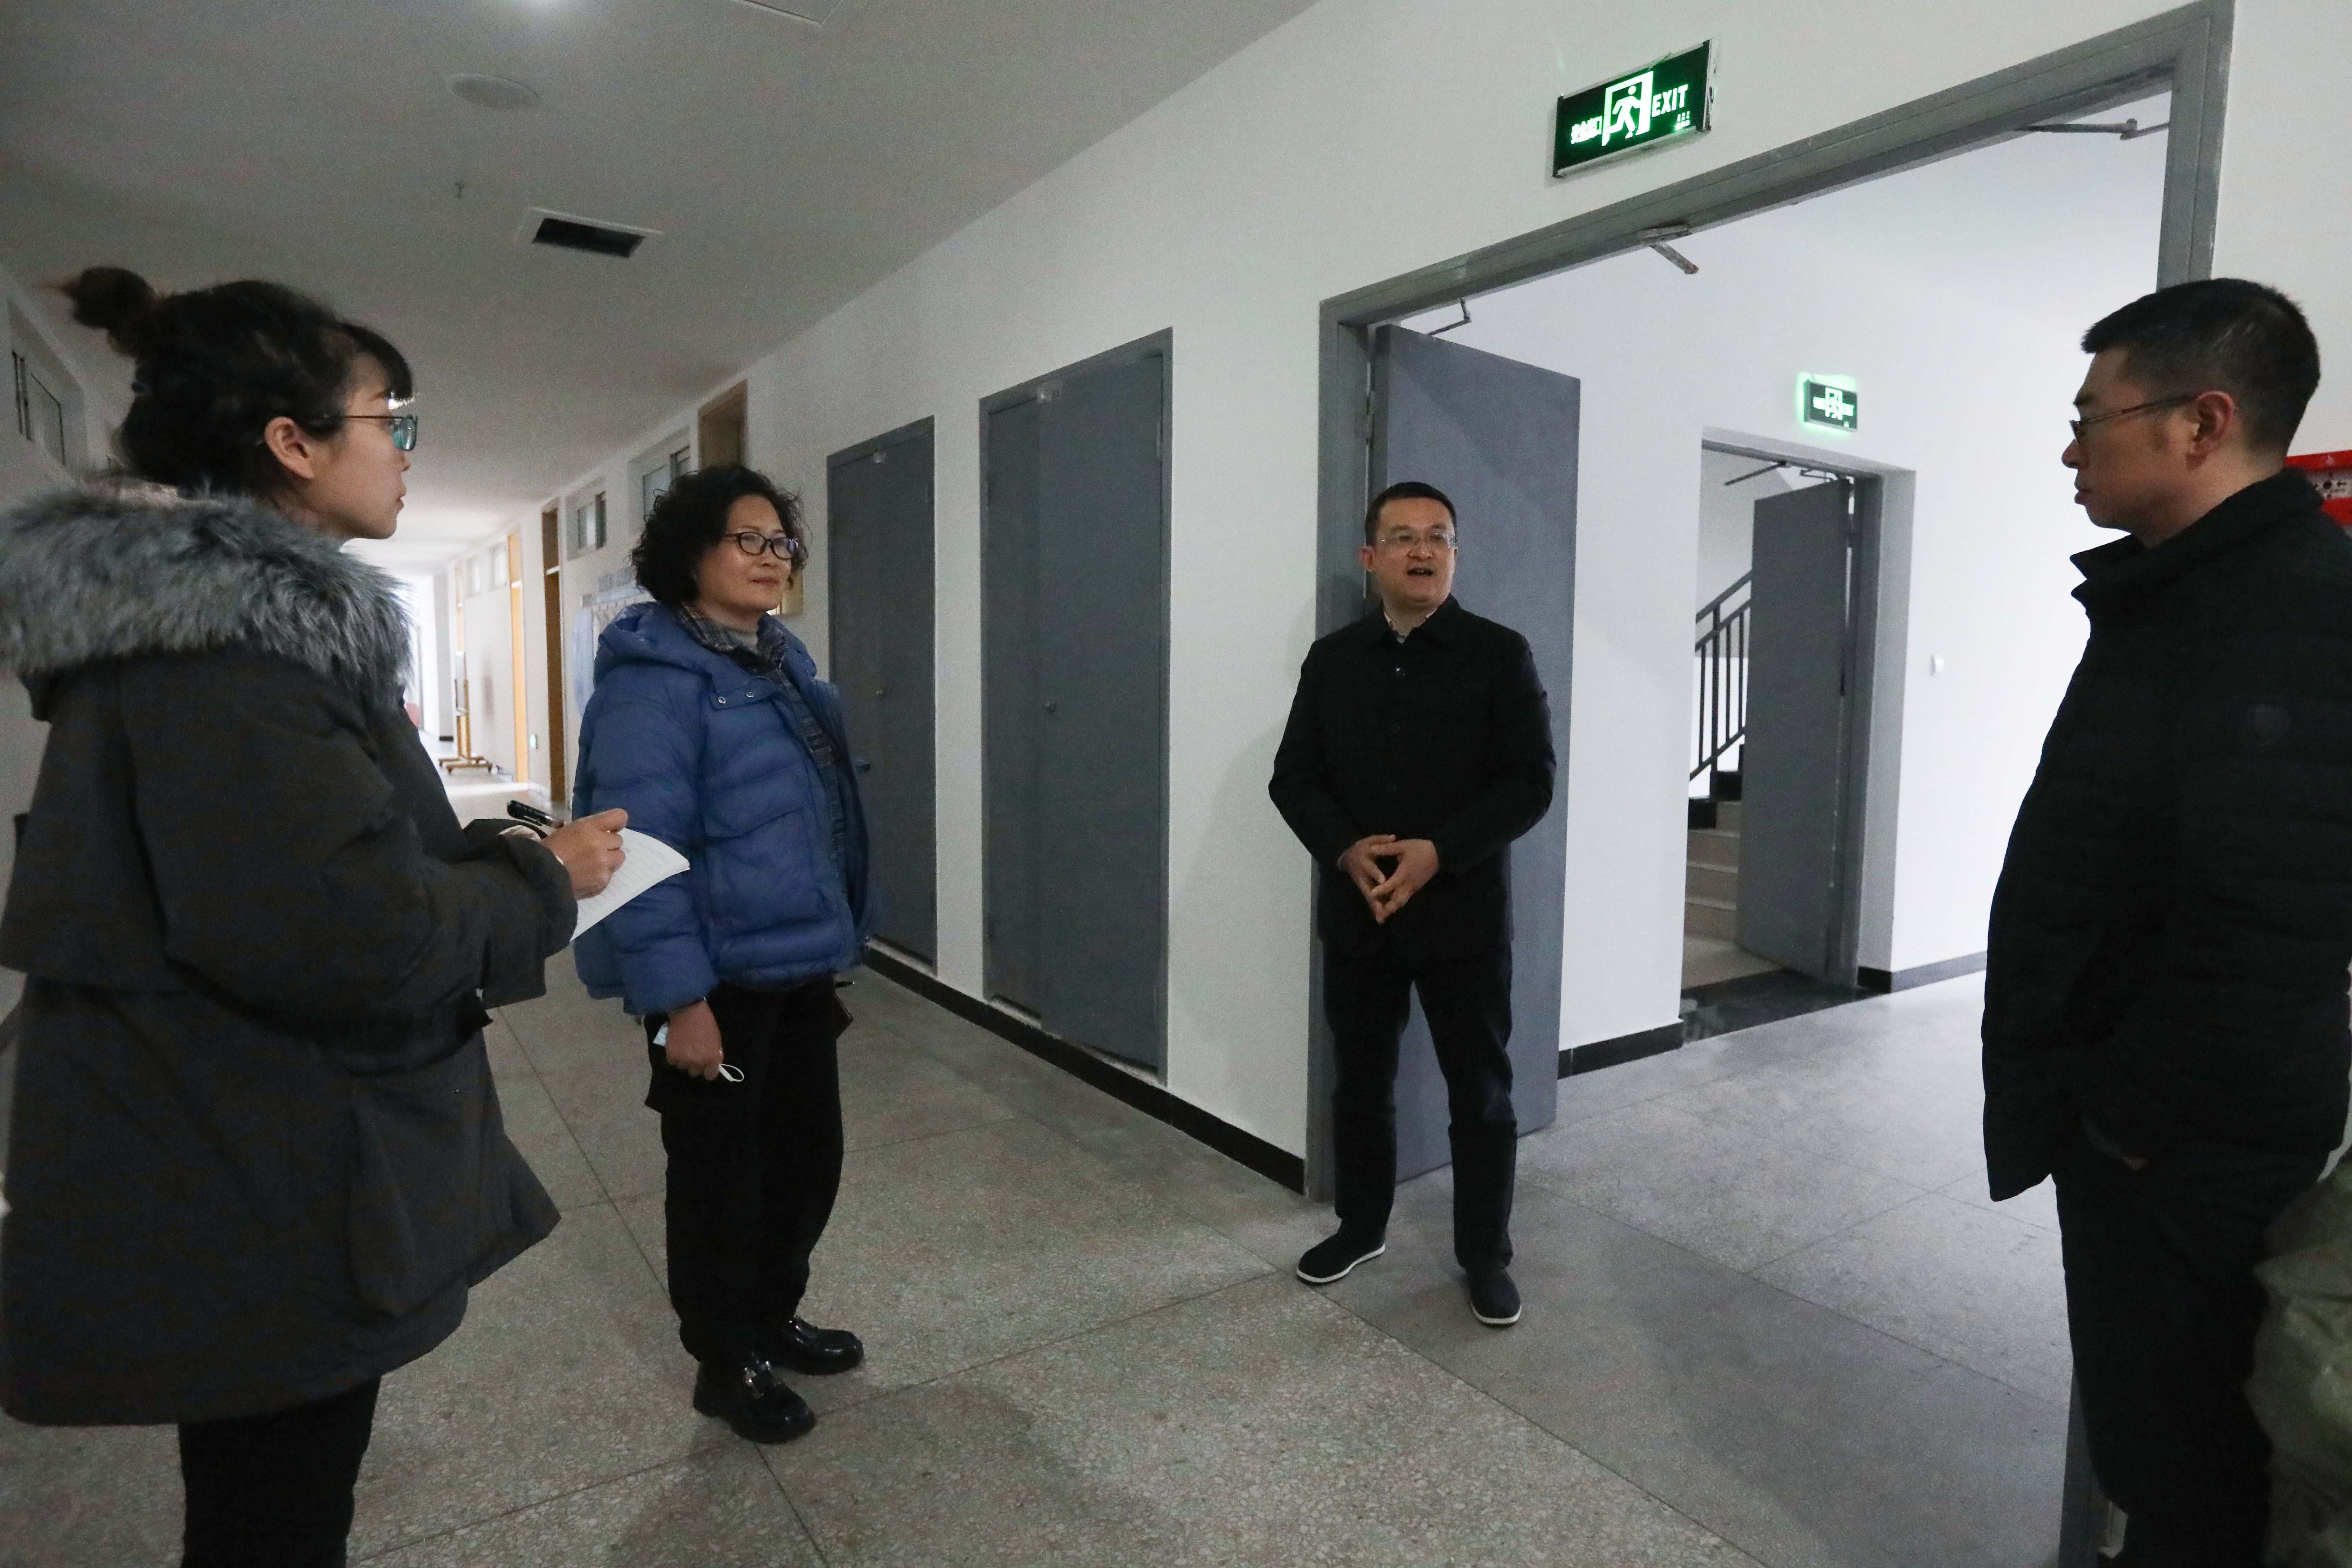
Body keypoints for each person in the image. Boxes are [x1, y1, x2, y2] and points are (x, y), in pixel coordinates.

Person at [0, 267, 628, 1567]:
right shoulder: (233, 654)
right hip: (260, 1161)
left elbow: (316, 867)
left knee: (269, 1489)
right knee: (275, 1513)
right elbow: (358, 937)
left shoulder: (211, 638)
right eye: (390, 421)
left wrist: (483, 857)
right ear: (291, 443)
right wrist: (541, 880)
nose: (404, 452)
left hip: (236, 1141)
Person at [1982, 278, 2352, 1567]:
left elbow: (2275, 927)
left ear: (2202, 423)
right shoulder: (2187, 592)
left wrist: (2123, 1122)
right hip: (2162, 1131)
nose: (2072, 448)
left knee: (2191, 1468)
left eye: (2093, 417)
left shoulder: (2295, 608)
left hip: (2185, 1145)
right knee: (2159, 1448)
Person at [572, 462, 874, 1444]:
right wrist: (681, 1003)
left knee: (805, 1162)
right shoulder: (653, 686)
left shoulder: (779, 664)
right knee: (719, 1183)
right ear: (690, 554)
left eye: (781, 541)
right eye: (748, 539)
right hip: (713, 981)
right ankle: (725, 1360)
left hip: (793, 966)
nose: (771, 556)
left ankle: (773, 1317)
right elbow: (636, 854)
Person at [1268, 479, 1554, 1328]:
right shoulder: (1332, 659)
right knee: (1361, 1081)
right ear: (1371, 557)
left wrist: (1440, 852)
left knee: (1481, 1090)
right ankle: (1361, 1225)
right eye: (1403, 537)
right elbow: (1294, 777)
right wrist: (1345, 847)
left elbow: (1530, 782)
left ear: (1455, 555)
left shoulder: (1501, 654)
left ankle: (1486, 1255)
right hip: (1362, 913)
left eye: (1439, 536)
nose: (1423, 550)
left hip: (1463, 914)